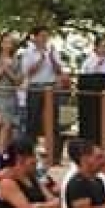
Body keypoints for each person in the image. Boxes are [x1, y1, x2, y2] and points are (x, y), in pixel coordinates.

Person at [19, 26, 68, 157]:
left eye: (46, 36)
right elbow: (27, 72)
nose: (44, 38)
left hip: (51, 87)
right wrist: (40, 59)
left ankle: (54, 154)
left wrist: (51, 58)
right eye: (42, 35)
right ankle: (30, 153)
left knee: (53, 121)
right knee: (33, 121)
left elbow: (59, 71)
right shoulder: (28, 52)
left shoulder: (52, 50)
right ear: (35, 37)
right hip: (35, 86)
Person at [0, 32, 23, 149]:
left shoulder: (17, 60)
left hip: (11, 97)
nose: (7, 45)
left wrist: (8, 70)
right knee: (2, 125)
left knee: (10, 128)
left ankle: (5, 154)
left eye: (10, 43)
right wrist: (1, 69)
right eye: (5, 42)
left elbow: (18, 81)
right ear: (1, 44)